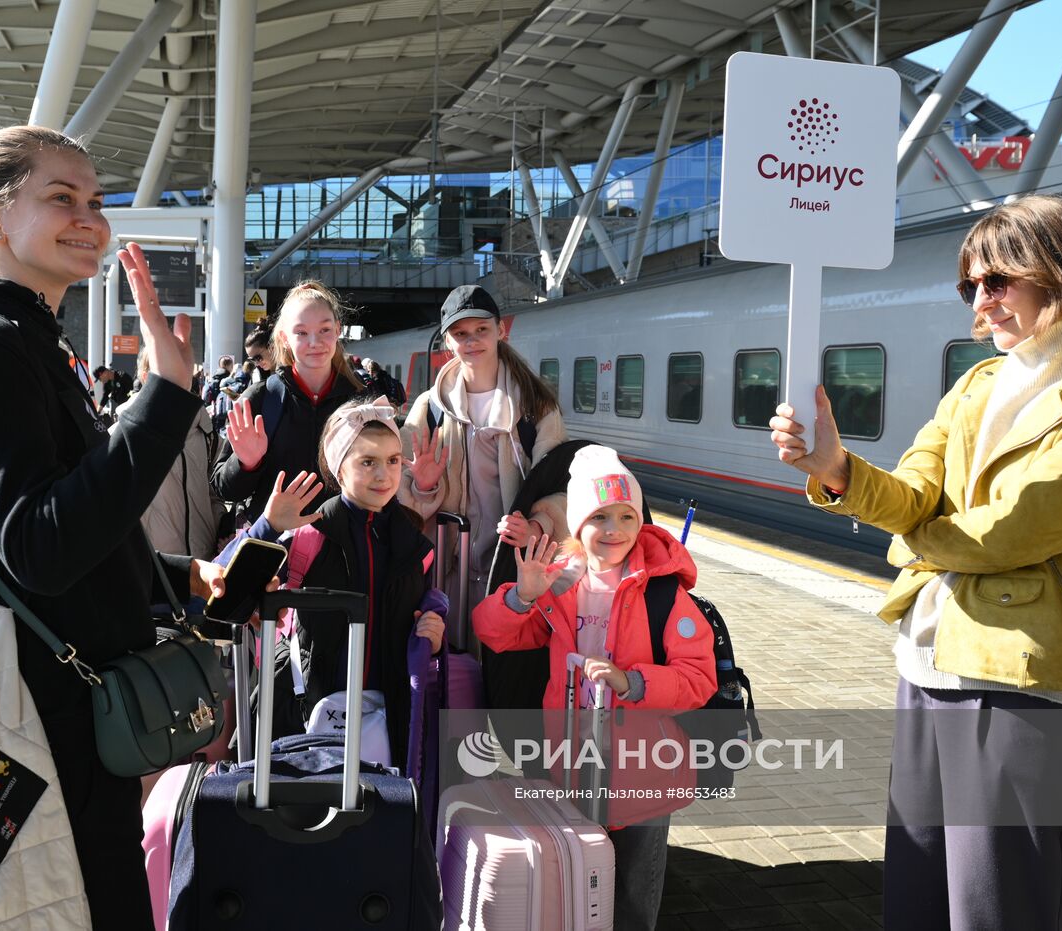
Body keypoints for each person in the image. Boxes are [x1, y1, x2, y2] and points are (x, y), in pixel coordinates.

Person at [0, 124, 228, 930]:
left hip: (48, 720)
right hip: (30, 727)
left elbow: (21, 524)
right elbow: (39, 543)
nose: (89, 217)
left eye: (96, 200)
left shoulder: (20, 340)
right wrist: (164, 398)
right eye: (61, 198)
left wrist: (169, 571)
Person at [769, 194, 1062, 931]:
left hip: (1024, 682)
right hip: (927, 664)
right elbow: (912, 492)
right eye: (973, 285)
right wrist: (837, 467)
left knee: (1006, 902)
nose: (983, 301)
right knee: (920, 891)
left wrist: (915, 539)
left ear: (1060, 270)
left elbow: (1015, 531)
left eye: (998, 280)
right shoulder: (974, 385)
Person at [472, 445, 716, 931]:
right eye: (599, 516)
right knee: (576, 880)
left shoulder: (664, 591)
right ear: (577, 524)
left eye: (627, 516)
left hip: (646, 774)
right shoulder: (563, 583)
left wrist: (634, 682)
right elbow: (494, 631)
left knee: (632, 893)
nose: (614, 530)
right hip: (572, 764)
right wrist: (523, 595)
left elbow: (698, 678)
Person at [217, 397, 445, 766]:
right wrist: (268, 525)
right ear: (339, 471)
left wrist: (432, 636)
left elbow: (421, 612)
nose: (383, 475)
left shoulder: (416, 545)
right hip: (298, 719)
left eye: (392, 461)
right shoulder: (307, 533)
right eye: (367, 462)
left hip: (389, 721)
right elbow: (221, 585)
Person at [400, 284, 568, 611]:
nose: (472, 340)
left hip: (514, 569)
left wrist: (537, 526)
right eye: (460, 333)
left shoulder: (536, 407)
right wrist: (423, 486)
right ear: (447, 342)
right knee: (453, 660)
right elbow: (402, 494)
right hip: (445, 573)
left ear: (500, 331)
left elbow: (562, 486)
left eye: (481, 329)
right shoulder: (429, 409)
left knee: (501, 652)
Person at [212, 280, 367, 525]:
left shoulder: (362, 402)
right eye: (301, 333)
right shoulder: (260, 399)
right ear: (284, 338)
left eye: (325, 330)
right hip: (276, 549)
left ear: (338, 330)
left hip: (342, 548)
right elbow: (223, 488)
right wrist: (246, 464)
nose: (314, 342)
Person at [112, 348, 225, 560]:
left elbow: (213, 489)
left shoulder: (205, 430)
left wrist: (223, 526)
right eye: (166, 372)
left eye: (182, 372)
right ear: (146, 377)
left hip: (206, 560)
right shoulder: (120, 436)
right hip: (156, 567)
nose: (177, 380)